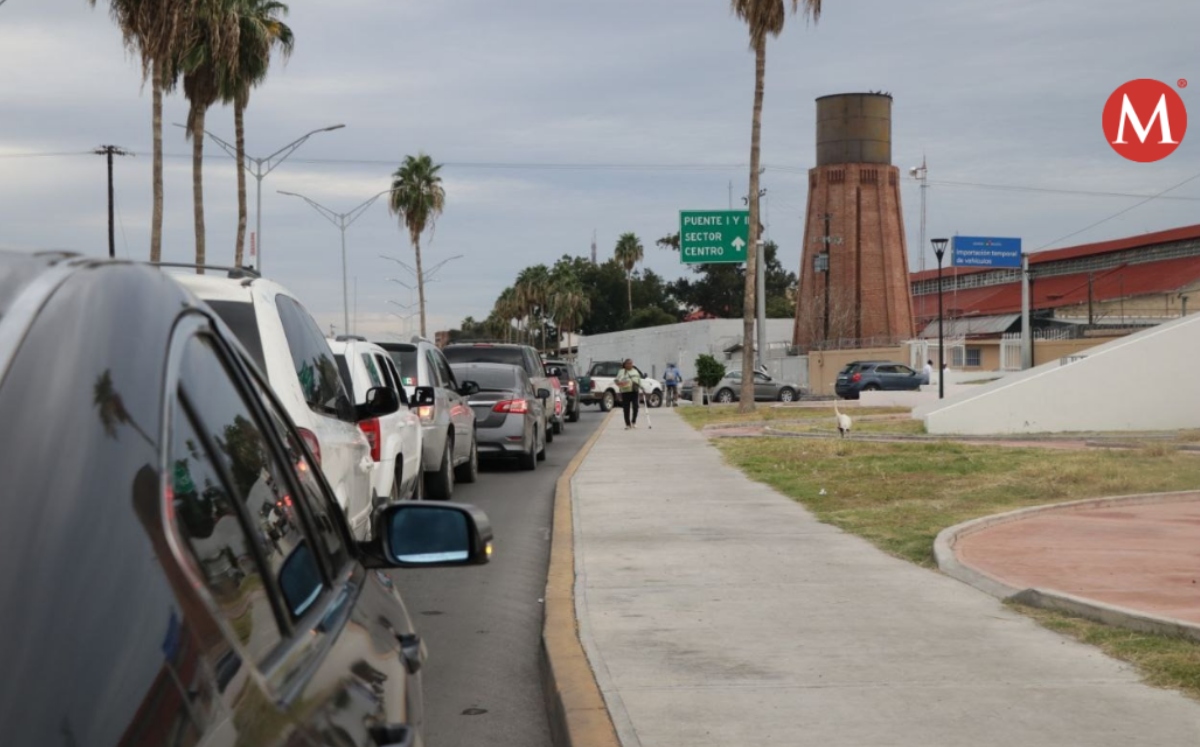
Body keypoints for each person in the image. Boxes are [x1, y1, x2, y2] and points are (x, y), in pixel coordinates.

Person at [615, 358, 642, 429]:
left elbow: (639, 379)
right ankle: (627, 424)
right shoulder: (621, 371)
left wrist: (641, 386)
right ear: (625, 364)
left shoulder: (635, 371)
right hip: (625, 391)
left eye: (631, 363)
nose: (630, 365)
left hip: (634, 390)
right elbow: (617, 380)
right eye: (629, 363)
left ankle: (633, 422)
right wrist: (620, 383)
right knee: (626, 408)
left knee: (636, 407)